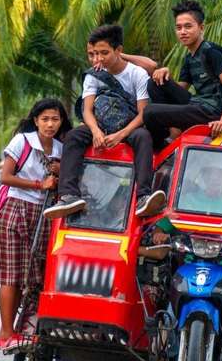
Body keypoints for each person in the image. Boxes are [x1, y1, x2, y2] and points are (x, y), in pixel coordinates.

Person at [44, 25, 162, 220]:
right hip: (100, 124)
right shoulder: (93, 74)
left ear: (119, 51)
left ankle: (143, 196)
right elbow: (87, 110)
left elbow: (143, 114)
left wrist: (120, 134)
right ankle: (69, 195)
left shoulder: (137, 74)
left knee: (143, 136)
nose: (98, 59)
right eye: (95, 54)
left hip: (128, 125)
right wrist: (96, 130)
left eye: (104, 53)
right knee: (73, 136)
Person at [0, 99, 70, 349]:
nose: (50, 124)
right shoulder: (22, 141)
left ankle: (19, 329)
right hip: (16, 209)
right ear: (35, 120)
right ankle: (6, 334)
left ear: (62, 121)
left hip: (44, 214)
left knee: (34, 277)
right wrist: (39, 185)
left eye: (55, 119)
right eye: (45, 119)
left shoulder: (62, 149)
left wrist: (60, 172)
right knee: (13, 276)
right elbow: (6, 177)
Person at [143, 0, 222, 149]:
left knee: (150, 112)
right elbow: (178, 90)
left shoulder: (211, 52)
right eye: (179, 27)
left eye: (188, 26)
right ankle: (170, 134)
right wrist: (164, 72)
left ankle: (160, 147)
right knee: (155, 82)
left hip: (211, 110)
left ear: (201, 27)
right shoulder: (189, 57)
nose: (183, 32)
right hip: (197, 104)